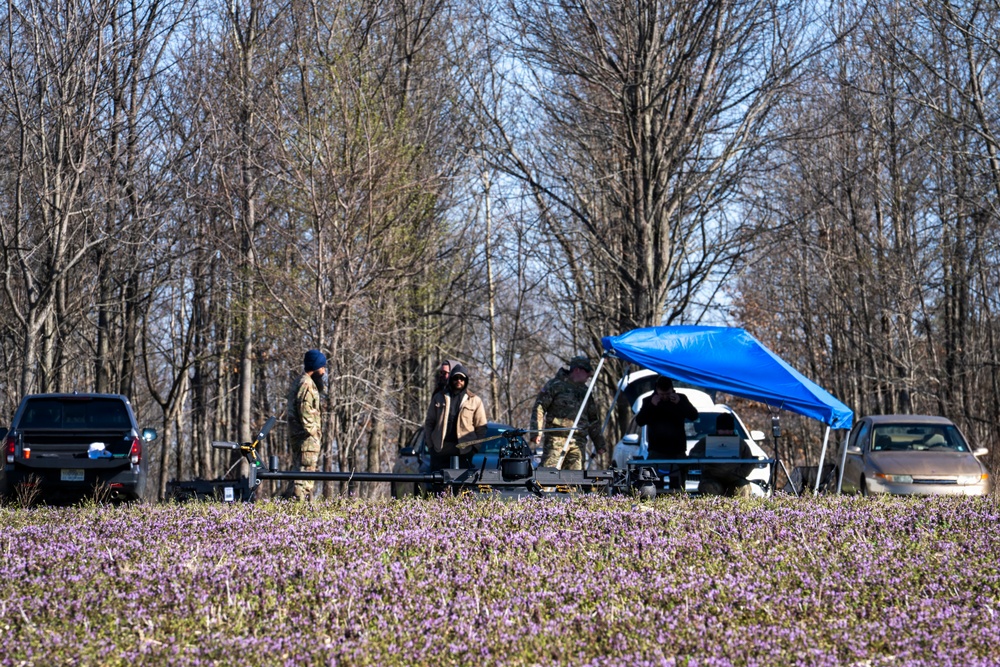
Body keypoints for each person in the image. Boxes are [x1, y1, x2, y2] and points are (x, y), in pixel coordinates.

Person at [532, 356, 607, 470]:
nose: (589, 375)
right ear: (577, 370)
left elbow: (593, 419)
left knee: (574, 481)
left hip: (578, 441)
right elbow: (540, 407)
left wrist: (599, 444)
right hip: (556, 438)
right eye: (587, 371)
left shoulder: (585, 392)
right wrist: (536, 431)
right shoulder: (556, 385)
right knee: (547, 475)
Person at [635, 375, 698, 490]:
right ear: (657, 391)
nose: (664, 397)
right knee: (656, 484)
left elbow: (694, 416)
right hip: (657, 450)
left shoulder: (681, 399)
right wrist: (651, 406)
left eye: (667, 394)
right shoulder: (649, 401)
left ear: (672, 390)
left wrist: (680, 403)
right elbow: (640, 421)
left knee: (678, 484)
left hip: (677, 450)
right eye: (662, 394)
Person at [424, 363, 488, 472]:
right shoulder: (439, 397)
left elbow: (481, 427)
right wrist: (430, 446)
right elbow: (429, 422)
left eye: (462, 378)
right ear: (451, 379)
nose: (459, 381)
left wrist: (474, 448)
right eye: (456, 378)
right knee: (438, 486)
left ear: (466, 380)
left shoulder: (475, 400)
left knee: (462, 487)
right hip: (440, 451)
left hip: (464, 451)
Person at [286, 348, 326, 501]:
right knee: (304, 478)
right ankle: (298, 510)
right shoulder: (307, 385)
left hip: (301, 439)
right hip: (306, 440)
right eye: (322, 367)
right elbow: (305, 412)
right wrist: (313, 433)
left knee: (298, 474)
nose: (323, 371)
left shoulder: (300, 382)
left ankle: (292, 508)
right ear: (315, 367)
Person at [689, 412, 755, 497]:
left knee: (744, 487)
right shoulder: (706, 441)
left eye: (729, 430)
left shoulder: (741, 443)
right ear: (718, 429)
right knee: (708, 487)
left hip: (734, 480)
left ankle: (741, 510)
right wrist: (707, 456)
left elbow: (749, 462)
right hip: (712, 479)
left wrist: (739, 473)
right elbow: (693, 455)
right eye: (723, 430)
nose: (726, 432)